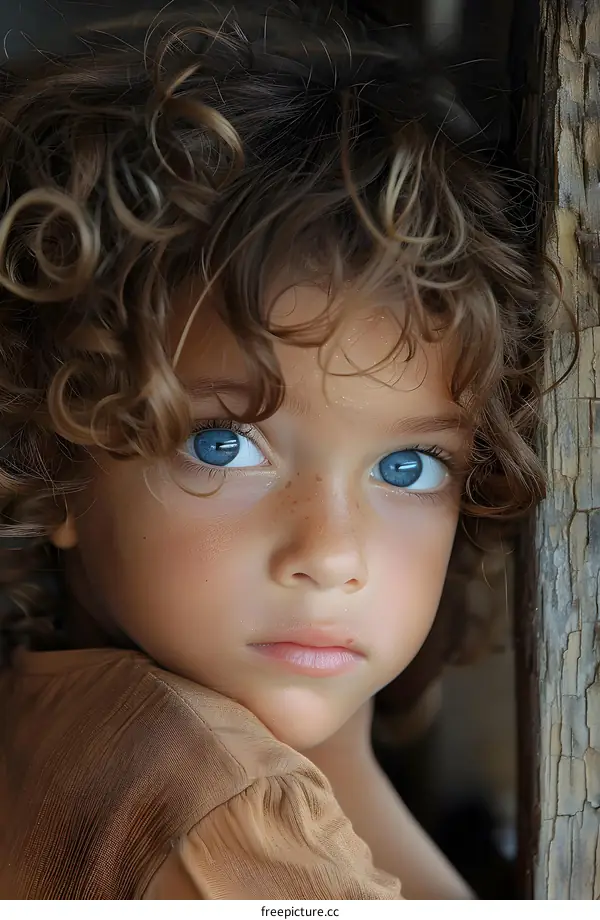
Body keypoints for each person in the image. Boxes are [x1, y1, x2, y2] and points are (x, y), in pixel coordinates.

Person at [0, 1, 546, 899]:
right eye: (225, 445)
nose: (329, 556)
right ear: (56, 457)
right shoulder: (212, 805)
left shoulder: (64, 719)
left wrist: (334, 751)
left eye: (406, 468)